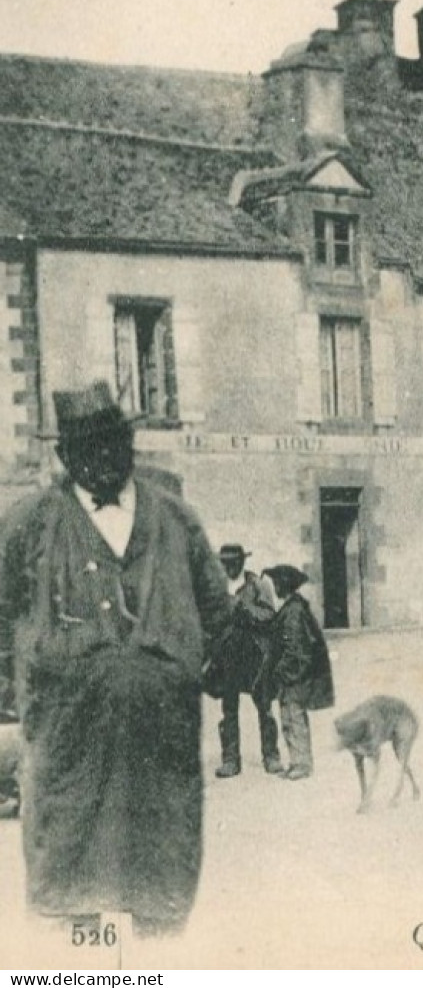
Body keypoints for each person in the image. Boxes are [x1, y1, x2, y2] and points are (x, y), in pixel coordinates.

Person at [0, 382, 230, 934]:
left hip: (161, 739)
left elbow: (218, 610)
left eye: (114, 440)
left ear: (130, 442)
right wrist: (23, 691)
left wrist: (177, 673)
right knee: (70, 880)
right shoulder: (27, 523)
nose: (104, 454)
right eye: (88, 443)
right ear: (64, 454)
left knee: (161, 882)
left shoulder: (177, 518)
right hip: (65, 741)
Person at [203, 544, 280, 778]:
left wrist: (244, 608)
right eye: (225, 564)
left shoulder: (258, 585)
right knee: (229, 709)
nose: (229, 568)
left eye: (234, 563)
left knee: (264, 706)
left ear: (242, 562)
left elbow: (269, 616)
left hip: (255, 655)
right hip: (226, 656)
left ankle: (271, 756)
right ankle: (230, 759)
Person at [263, 565, 334, 782]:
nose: (274, 587)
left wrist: (283, 672)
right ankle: (297, 762)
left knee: (294, 718)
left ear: (284, 585)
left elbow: (297, 649)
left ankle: (302, 764)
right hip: (292, 676)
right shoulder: (292, 607)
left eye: (276, 583)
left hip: (294, 678)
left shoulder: (293, 611)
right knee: (290, 718)